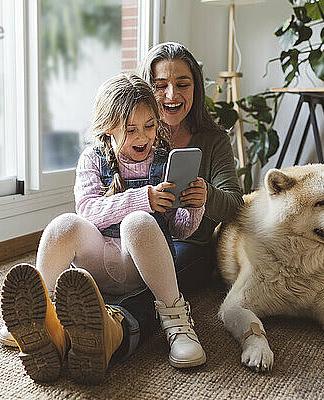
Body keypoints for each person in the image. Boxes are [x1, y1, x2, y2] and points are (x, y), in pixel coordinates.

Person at [0, 73, 207, 385]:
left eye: (150, 126)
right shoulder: (92, 159)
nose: (143, 137)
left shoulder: (164, 162)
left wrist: (193, 205)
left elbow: (180, 231)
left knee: (138, 221)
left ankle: (176, 320)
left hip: (139, 269)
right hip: (96, 264)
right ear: (108, 128)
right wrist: (143, 197)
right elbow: (89, 211)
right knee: (65, 224)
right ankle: (39, 313)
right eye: (131, 129)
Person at [102, 42, 244, 358]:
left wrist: (206, 193)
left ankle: (116, 327)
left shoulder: (213, 140)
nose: (171, 95)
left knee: (164, 277)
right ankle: (77, 310)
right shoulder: (130, 136)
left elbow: (235, 203)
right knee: (107, 264)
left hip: (188, 244)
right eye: (160, 85)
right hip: (131, 238)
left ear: (196, 87)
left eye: (182, 84)